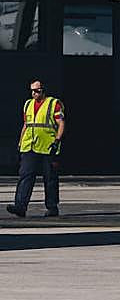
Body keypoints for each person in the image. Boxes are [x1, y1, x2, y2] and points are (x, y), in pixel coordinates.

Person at [7, 80, 65, 218]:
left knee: (50, 178)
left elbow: (61, 123)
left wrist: (57, 140)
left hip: (48, 147)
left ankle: (52, 207)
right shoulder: (28, 104)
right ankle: (20, 206)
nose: (34, 93)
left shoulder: (53, 104)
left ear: (43, 90)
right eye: (32, 90)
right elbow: (26, 125)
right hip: (30, 145)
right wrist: (20, 144)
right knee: (25, 175)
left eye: (37, 91)